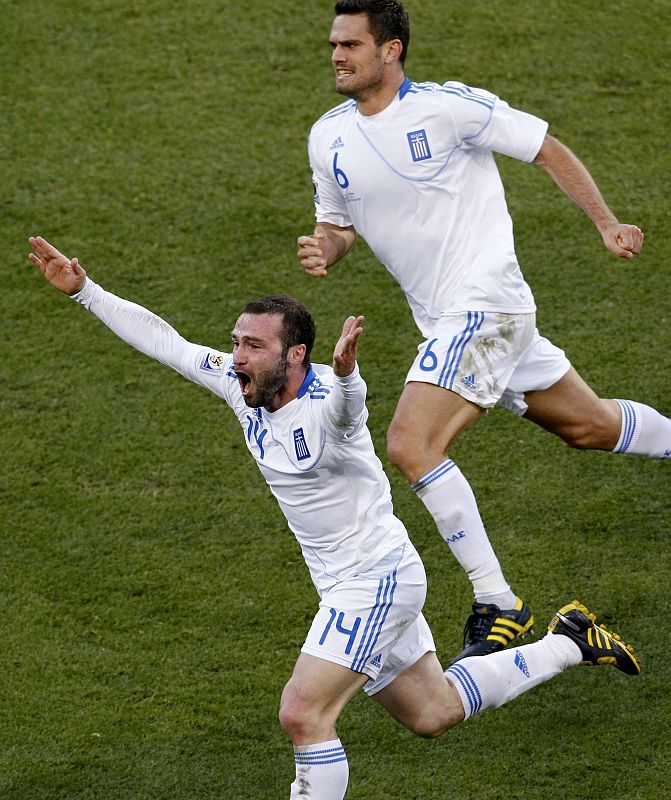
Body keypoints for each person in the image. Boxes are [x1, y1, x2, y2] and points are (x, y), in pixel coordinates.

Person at [29, 235, 640, 800]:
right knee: (433, 713)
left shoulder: (325, 406)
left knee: (303, 713)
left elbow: (349, 416)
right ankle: (570, 642)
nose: (235, 355)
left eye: (252, 345)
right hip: (350, 581)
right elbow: (165, 341)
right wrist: (86, 291)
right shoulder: (241, 385)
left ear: (295, 355)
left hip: (373, 581)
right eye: (237, 341)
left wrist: (349, 378)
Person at [297, 0, 670, 664]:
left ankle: (498, 600)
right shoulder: (327, 136)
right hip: (453, 319)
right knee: (589, 427)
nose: (336, 55)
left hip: (485, 306)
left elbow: (545, 147)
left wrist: (605, 223)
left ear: (391, 50)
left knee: (411, 443)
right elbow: (340, 223)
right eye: (333, 43)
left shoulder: (447, 109)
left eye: (351, 44)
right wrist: (328, 248)